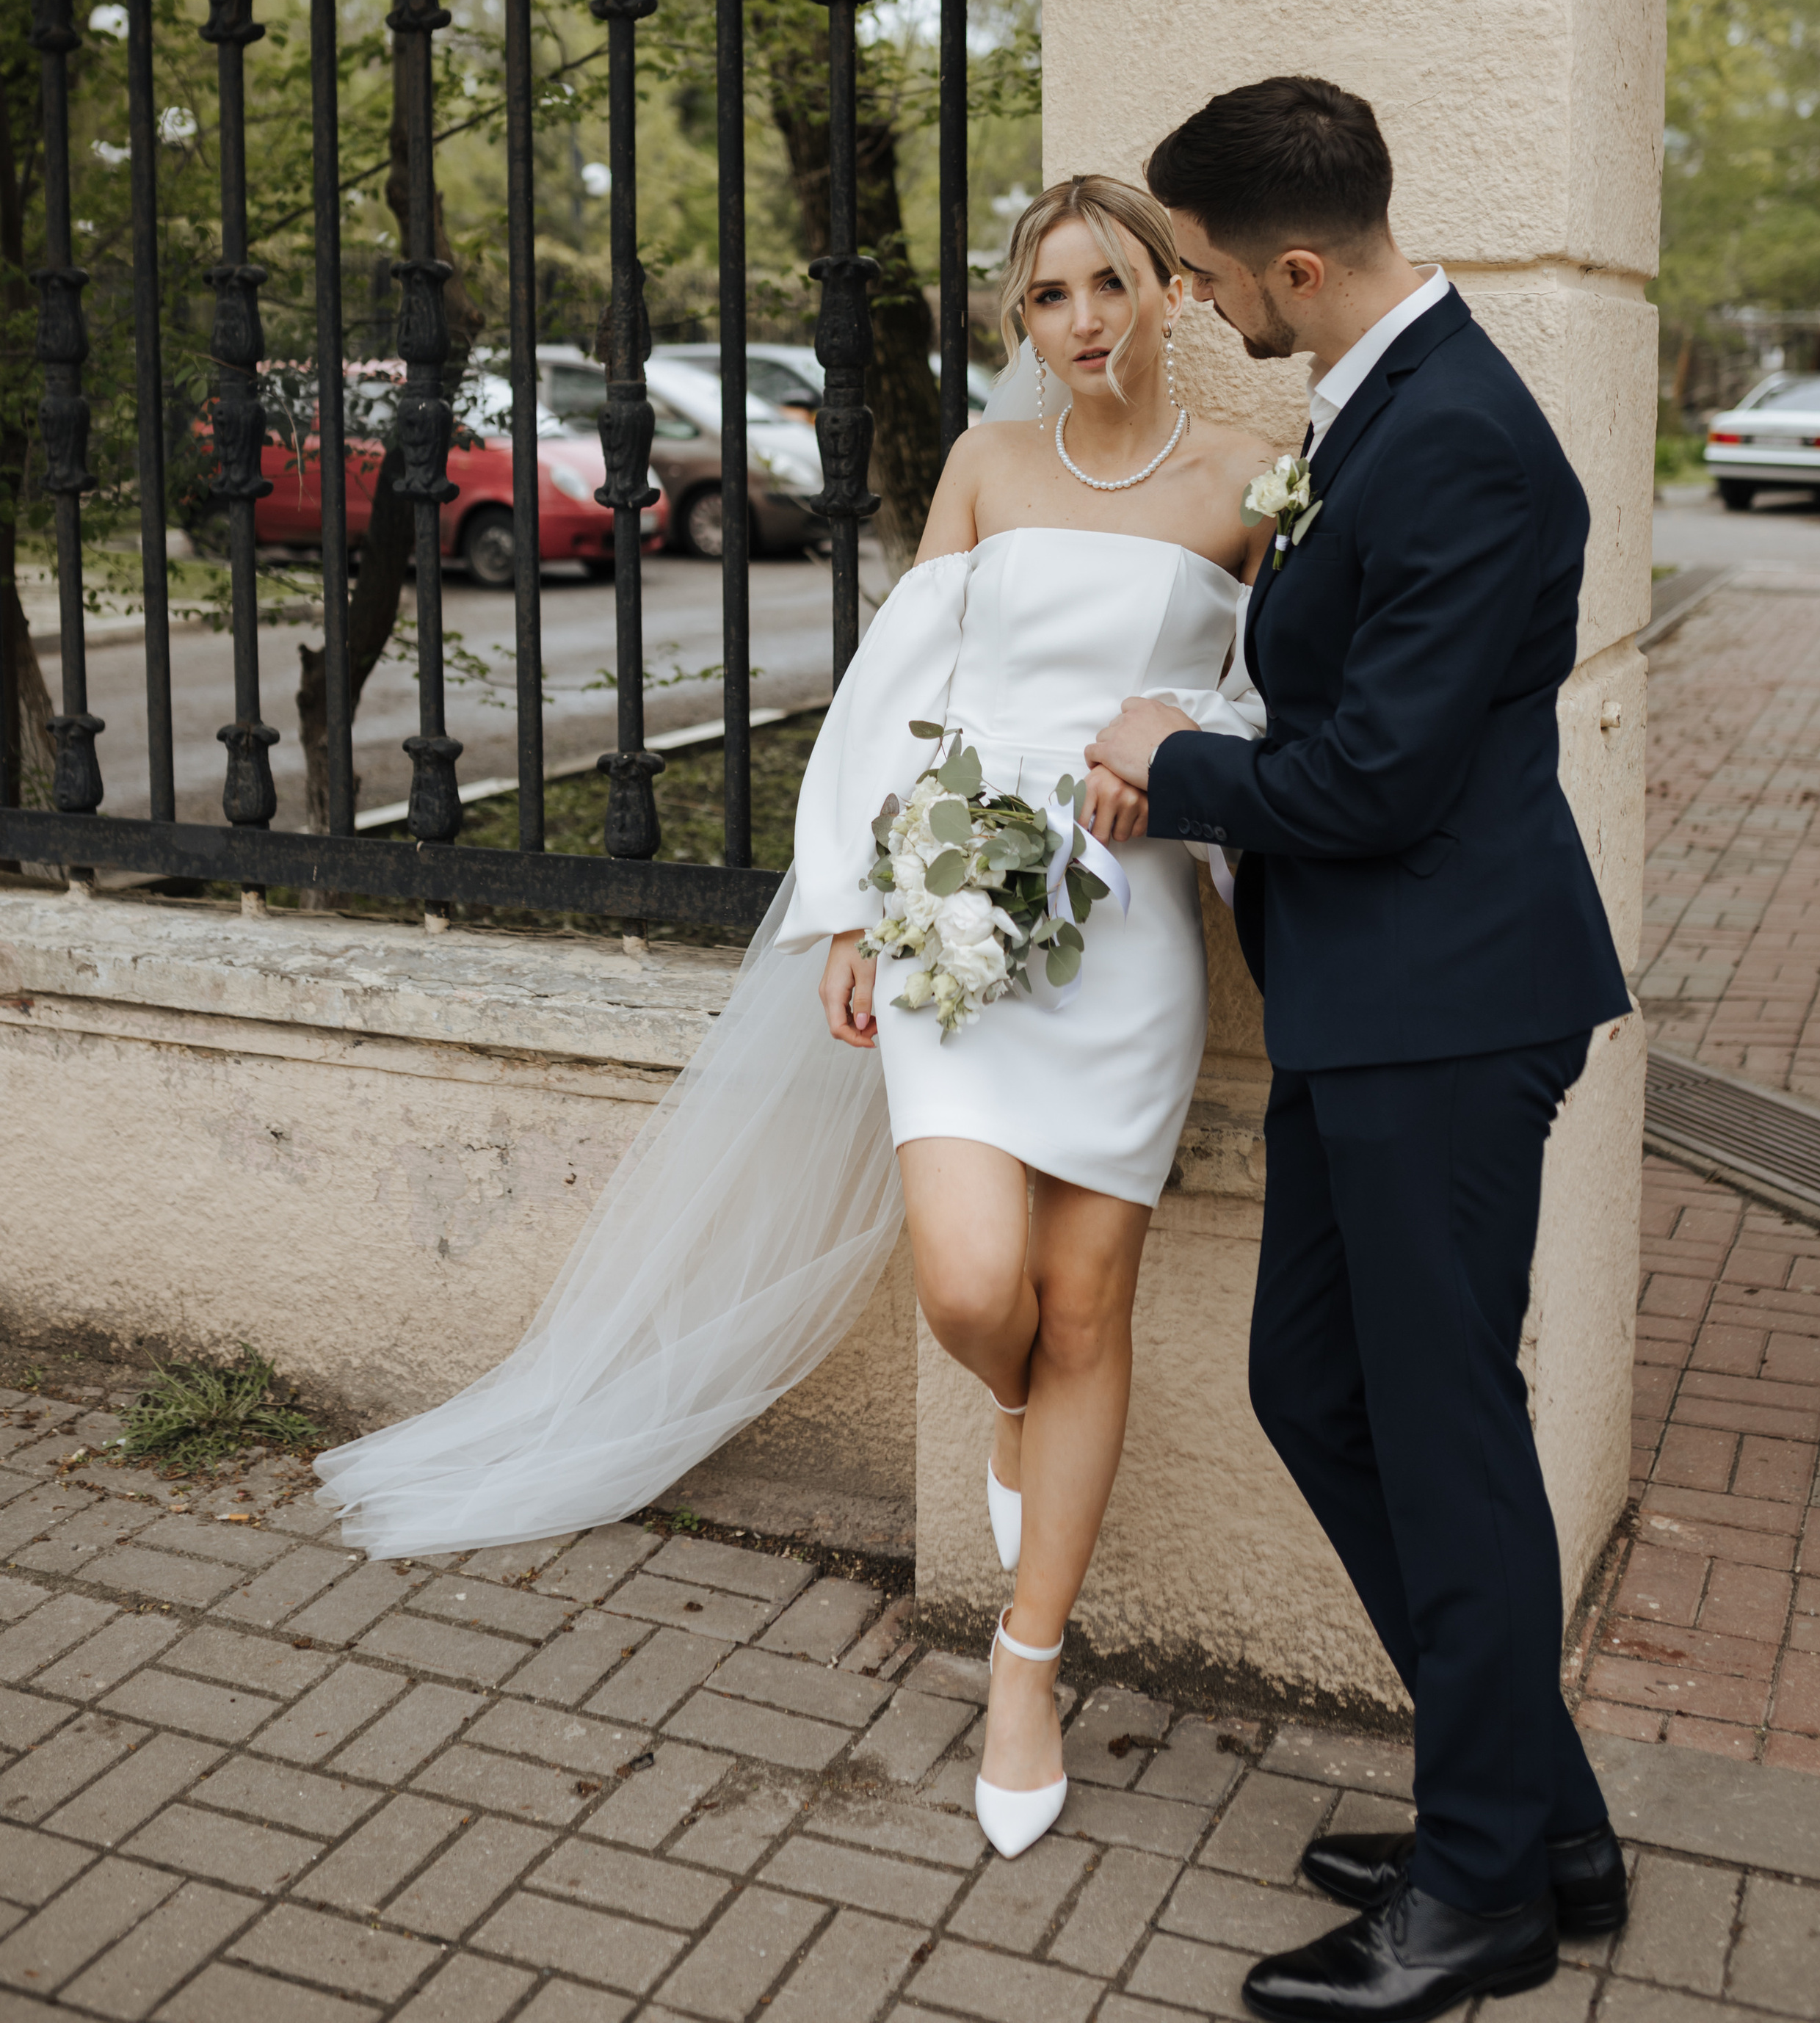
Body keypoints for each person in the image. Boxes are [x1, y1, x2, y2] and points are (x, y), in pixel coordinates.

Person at [316, 172, 1276, 1865]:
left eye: (1110, 284)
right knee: (979, 1286)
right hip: (955, 916)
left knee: (1086, 1295)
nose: (1083, 322)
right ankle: (1007, 1411)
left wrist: (1180, 717)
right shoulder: (984, 469)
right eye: (1047, 297)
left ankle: (1024, 1668)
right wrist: (843, 901)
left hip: (1125, 933)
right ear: (1017, 324)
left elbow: (1276, 693)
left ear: (1169, 296)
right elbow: (899, 691)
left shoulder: (1237, 488)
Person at [1087, 78, 1635, 2023]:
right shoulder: (1383, 401)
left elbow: (1386, 778)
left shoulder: (1464, 435)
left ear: (1296, 265)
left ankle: (1487, 1891)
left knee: (1440, 1429)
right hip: (1370, 1004)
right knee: (1317, 1385)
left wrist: (1174, 769)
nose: (1203, 307)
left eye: (1214, 277)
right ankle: (1538, 1822)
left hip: (1451, 1009)